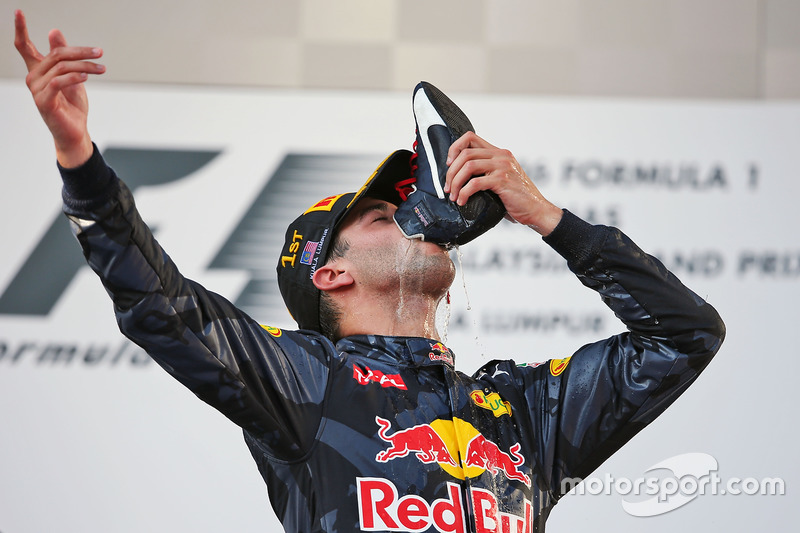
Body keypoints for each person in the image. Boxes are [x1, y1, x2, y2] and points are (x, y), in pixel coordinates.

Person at [14, 10, 725, 533]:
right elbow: (160, 306)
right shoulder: (306, 381)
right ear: (330, 276)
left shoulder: (524, 411)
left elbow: (687, 335)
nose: (417, 213)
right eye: (383, 217)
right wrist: (81, 161)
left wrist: (549, 219)